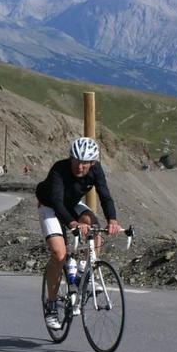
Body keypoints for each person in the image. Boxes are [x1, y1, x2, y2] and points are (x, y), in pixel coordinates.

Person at [35, 137, 119, 330]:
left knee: (95, 226)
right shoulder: (59, 169)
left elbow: (105, 195)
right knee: (59, 254)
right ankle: (52, 305)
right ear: (71, 158)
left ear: (93, 163)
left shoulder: (96, 170)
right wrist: (73, 223)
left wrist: (112, 220)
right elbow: (56, 201)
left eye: (85, 163)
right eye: (76, 161)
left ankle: (86, 270)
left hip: (71, 203)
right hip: (50, 205)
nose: (80, 166)